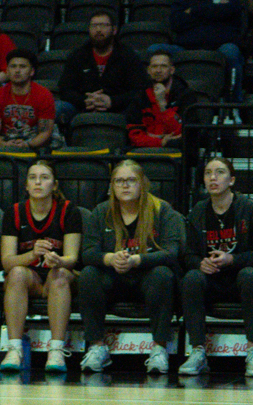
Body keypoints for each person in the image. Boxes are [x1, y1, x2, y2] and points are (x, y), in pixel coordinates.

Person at [77, 158, 185, 374]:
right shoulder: (101, 212)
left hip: (147, 277)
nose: (125, 185)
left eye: (131, 180)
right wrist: (110, 258)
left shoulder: (162, 210)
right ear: (112, 186)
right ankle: (97, 347)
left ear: (143, 184)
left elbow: (171, 252)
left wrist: (137, 260)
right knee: (88, 274)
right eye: (119, 181)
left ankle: (159, 349)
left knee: (163, 274)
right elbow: (87, 253)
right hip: (113, 277)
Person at [179, 157, 253, 378]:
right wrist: (200, 263)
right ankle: (197, 351)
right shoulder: (198, 212)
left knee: (249, 275)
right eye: (208, 173)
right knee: (192, 277)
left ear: (231, 180)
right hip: (213, 280)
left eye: (220, 172)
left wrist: (233, 260)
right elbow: (187, 254)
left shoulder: (250, 209)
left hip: (245, 281)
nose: (213, 177)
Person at [0, 160, 82, 374]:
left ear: (54, 185)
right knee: (16, 273)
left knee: (60, 274)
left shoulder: (69, 211)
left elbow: (72, 258)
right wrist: (32, 255)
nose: (38, 182)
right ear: (26, 185)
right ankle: (14, 349)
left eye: (44, 178)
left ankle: (56, 350)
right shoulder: (14, 212)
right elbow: (7, 262)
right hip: (31, 280)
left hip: (59, 278)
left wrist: (59, 261)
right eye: (33, 178)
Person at [169, 0, 249, 98]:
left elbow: (226, 12)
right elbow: (176, 23)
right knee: (155, 50)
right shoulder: (182, 1)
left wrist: (192, 11)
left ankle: (234, 102)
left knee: (231, 51)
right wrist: (212, 10)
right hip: (186, 47)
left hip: (220, 46)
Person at [56, 11, 143, 124]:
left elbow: (139, 91)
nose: (98, 30)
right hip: (81, 108)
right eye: (94, 26)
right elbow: (65, 89)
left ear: (114, 30)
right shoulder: (77, 55)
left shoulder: (128, 56)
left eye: (103, 25)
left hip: (119, 109)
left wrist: (112, 101)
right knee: (58, 107)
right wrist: (85, 101)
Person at [0, 49, 56, 150]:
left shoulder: (44, 95)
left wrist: (28, 145)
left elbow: (45, 132)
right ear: (7, 71)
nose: (17, 70)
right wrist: (4, 145)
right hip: (5, 141)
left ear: (32, 71)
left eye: (22, 66)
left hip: (33, 143)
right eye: (13, 66)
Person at [128, 51, 196, 149]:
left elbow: (183, 134)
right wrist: (161, 142)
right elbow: (134, 136)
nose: (158, 70)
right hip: (145, 151)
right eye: (154, 66)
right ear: (148, 70)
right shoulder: (139, 95)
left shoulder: (186, 96)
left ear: (172, 70)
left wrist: (162, 104)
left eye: (163, 66)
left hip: (176, 152)